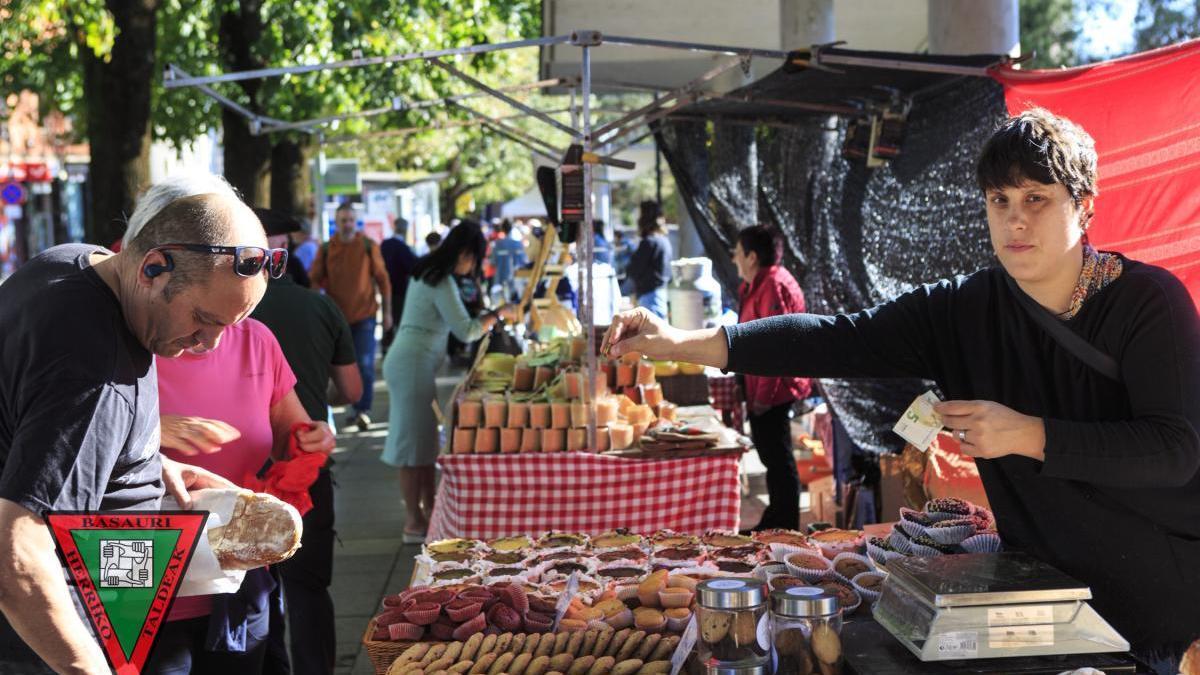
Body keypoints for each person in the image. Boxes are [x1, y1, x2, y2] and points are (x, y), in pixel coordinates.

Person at [604, 109, 1200, 673]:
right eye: (1000, 200)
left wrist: (1026, 433)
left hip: (1147, 600)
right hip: (1040, 594)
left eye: (1037, 199)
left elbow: (1175, 449)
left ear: (1085, 206)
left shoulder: (1148, 301)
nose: (1016, 219)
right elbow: (834, 339)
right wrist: (682, 342)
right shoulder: (967, 307)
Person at [0, 185, 272, 674]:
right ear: (152, 267)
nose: (209, 344)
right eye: (203, 319)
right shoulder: (91, 370)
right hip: (46, 647)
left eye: (230, 326)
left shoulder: (72, 262)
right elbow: (15, 553)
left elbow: (31, 420)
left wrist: (140, 459)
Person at [149, 314, 335, 674]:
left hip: (236, 569)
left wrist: (315, 438)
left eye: (230, 319)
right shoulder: (119, 338)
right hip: (142, 574)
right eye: (203, 316)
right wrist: (148, 430)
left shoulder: (257, 340)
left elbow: (288, 435)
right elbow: (67, 433)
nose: (217, 337)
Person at [251, 208, 363, 675]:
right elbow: (353, 392)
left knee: (251, 597)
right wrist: (314, 397)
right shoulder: (320, 306)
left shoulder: (227, 315)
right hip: (304, 465)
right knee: (307, 589)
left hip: (240, 475)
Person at [381, 223, 516, 542]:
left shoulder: (428, 272)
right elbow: (467, 330)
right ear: (466, 253)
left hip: (412, 361)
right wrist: (499, 314)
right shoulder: (439, 280)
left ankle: (427, 512)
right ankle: (413, 521)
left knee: (424, 445)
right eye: (475, 259)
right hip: (412, 363)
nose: (474, 267)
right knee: (412, 447)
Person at [731, 225, 811, 531]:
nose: (735, 258)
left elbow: (774, 348)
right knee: (771, 455)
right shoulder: (754, 284)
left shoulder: (774, 285)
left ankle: (786, 527)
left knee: (778, 458)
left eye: (738, 252)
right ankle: (775, 520)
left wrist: (762, 398)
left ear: (751, 256)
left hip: (775, 389)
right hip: (760, 386)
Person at [310, 203, 392, 431]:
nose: (347, 224)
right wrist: (317, 310)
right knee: (337, 367)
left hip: (365, 316)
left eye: (350, 220)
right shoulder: (327, 248)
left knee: (365, 365)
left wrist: (388, 314)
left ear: (356, 222)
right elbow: (314, 280)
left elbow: (384, 281)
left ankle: (361, 410)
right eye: (342, 220)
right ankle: (347, 406)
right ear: (336, 223)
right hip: (336, 319)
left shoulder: (367, 246)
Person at [627, 200, 672, 318]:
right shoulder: (663, 241)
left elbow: (634, 270)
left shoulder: (650, 242)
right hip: (659, 294)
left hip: (650, 297)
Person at [381, 217, 419, 353]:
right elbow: (412, 267)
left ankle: (386, 345)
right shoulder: (403, 248)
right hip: (399, 290)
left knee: (387, 316)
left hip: (385, 289)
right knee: (399, 319)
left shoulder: (385, 244)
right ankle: (397, 349)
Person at [488, 219, 527, 302]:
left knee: (502, 303)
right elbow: (524, 261)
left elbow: (492, 262)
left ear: (502, 229)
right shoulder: (518, 244)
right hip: (517, 279)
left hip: (501, 279)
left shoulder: (498, 244)